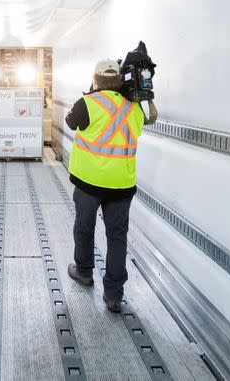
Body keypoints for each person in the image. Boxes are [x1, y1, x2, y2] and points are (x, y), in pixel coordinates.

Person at [65, 58, 157, 312]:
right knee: (117, 237)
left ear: (95, 78)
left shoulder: (88, 103)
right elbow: (140, 126)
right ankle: (114, 294)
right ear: (119, 79)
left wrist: (92, 93)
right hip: (121, 185)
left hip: (89, 183)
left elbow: (71, 122)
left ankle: (84, 271)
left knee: (84, 228)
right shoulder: (134, 108)